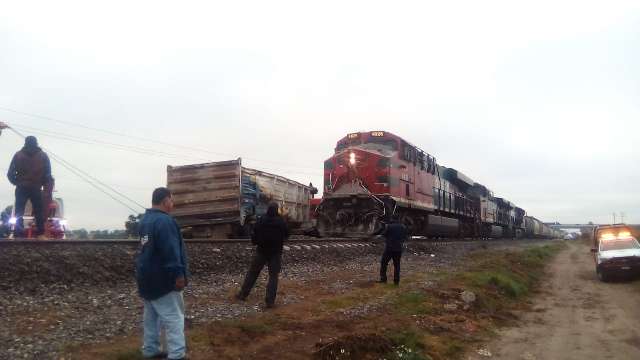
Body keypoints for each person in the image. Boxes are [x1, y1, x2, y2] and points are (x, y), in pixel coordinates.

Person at [135, 187, 189, 360]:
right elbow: (170, 251)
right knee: (174, 319)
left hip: (146, 279)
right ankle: (177, 355)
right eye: (171, 201)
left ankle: (150, 352)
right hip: (164, 280)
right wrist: (178, 274)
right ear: (166, 201)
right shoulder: (165, 221)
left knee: (151, 319)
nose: (172, 204)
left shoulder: (145, 221)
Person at [236, 202, 289, 308]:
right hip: (275, 253)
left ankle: (243, 294)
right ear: (277, 210)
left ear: (268, 209)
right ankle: (270, 302)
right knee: (273, 277)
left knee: (253, 273)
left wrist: (256, 242)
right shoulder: (281, 222)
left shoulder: (261, 220)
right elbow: (287, 235)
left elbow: (254, 233)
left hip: (261, 252)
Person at [6, 136, 52, 238]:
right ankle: (40, 234)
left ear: (25, 143)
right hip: (36, 187)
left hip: (21, 187)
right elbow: (48, 174)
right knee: (38, 211)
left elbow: (10, 173)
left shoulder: (18, 155)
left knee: (19, 211)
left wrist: (17, 182)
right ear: (36, 143)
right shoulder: (43, 156)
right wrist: (42, 183)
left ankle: (18, 233)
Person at [374, 214, 408, 285]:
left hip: (389, 249)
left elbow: (383, 235)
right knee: (397, 265)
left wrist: (375, 237)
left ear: (392, 219)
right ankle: (396, 281)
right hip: (398, 249)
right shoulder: (403, 227)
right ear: (398, 219)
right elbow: (405, 238)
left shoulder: (389, 226)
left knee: (384, 263)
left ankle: (383, 279)